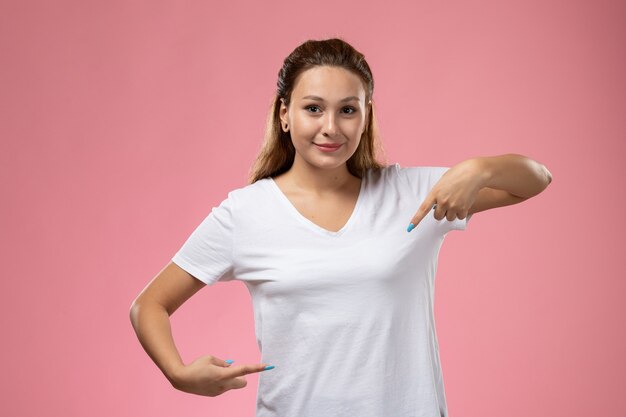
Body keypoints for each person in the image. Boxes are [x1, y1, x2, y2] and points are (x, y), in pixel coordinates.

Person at [129, 38, 552, 416]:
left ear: (366, 116)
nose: (331, 127)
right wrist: (179, 374)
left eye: (347, 109)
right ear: (285, 115)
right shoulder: (246, 213)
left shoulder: (410, 193)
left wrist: (478, 168)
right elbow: (149, 305)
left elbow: (536, 179)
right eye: (313, 108)